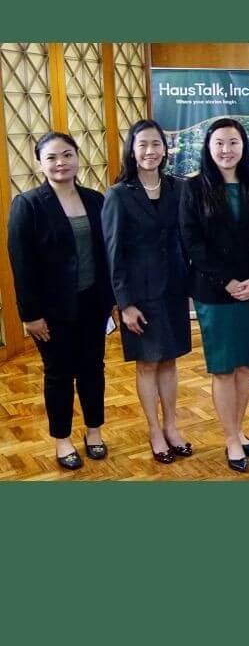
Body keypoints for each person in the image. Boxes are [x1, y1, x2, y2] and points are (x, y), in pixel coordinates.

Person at [6, 132, 115, 470]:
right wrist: (30, 314)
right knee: (58, 374)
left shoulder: (96, 199)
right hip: (52, 312)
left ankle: (94, 432)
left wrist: (111, 300)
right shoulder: (28, 204)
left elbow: (107, 254)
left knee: (93, 369)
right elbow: (21, 264)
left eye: (67, 155)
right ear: (40, 163)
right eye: (51, 157)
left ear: (77, 158)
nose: (60, 163)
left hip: (92, 303)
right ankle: (63, 440)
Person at [180, 118, 249, 473]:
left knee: (244, 365)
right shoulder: (193, 190)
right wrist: (227, 281)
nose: (226, 149)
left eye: (233, 142)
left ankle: (239, 427)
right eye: (219, 143)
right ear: (208, 147)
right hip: (214, 294)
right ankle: (231, 437)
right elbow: (192, 242)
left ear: (244, 147)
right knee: (223, 368)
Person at [102, 119, 192, 464]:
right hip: (138, 295)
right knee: (147, 363)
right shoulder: (118, 194)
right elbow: (113, 252)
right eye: (142, 145)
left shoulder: (178, 188)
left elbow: (186, 240)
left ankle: (172, 426)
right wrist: (124, 304)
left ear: (165, 149)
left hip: (173, 289)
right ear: (132, 150)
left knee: (169, 360)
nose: (150, 151)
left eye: (156, 144)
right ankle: (154, 430)